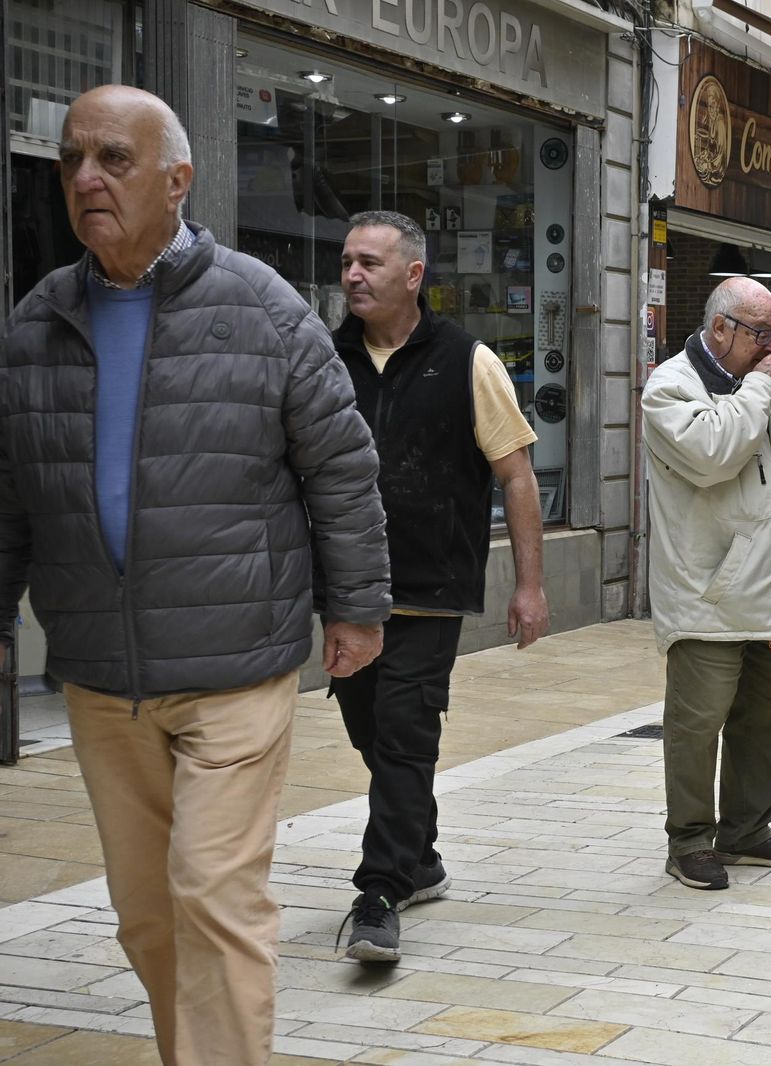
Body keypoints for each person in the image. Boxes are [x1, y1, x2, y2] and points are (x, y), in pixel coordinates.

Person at [0, 86, 389, 1065]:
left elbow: (339, 464)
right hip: (99, 674)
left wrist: (357, 607)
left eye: (114, 159)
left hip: (234, 665)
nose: (87, 178)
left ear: (178, 179)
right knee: (144, 913)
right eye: (73, 159)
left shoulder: (263, 308)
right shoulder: (37, 323)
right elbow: (8, 492)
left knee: (212, 891)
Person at [331, 211, 550, 961]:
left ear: (413, 275)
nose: (353, 275)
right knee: (369, 733)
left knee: (402, 738)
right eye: (347, 263)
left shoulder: (467, 360)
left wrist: (530, 586)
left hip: (430, 592)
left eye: (370, 263)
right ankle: (419, 857)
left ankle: (379, 893)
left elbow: (515, 474)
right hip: (351, 596)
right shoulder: (328, 360)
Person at [641, 278, 771, 891]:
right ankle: (689, 840)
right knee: (697, 725)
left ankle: (746, 830)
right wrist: (760, 388)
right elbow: (714, 453)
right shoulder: (669, 387)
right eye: (763, 334)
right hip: (708, 593)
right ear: (721, 329)